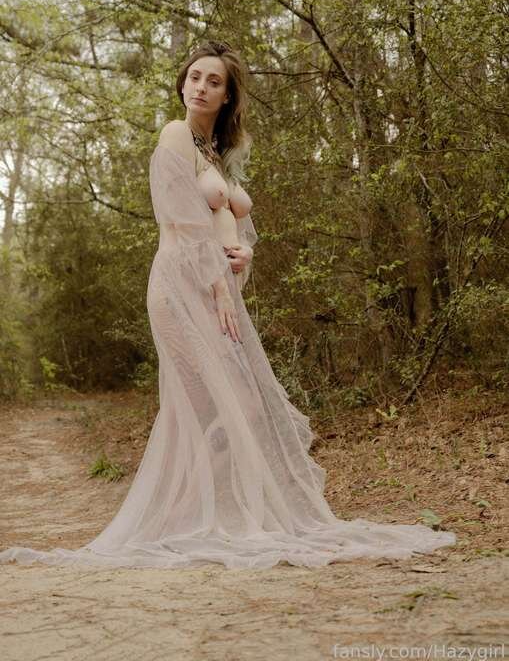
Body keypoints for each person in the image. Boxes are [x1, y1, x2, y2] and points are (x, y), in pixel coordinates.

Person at [0, 40, 456, 569]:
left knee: (234, 402)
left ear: (227, 97)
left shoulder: (215, 152)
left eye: (213, 81)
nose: (200, 87)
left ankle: (223, 515)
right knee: (217, 402)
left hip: (214, 285)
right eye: (194, 76)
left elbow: (233, 224)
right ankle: (207, 519)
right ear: (183, 83)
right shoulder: (175, 135)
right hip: (181, 286)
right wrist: (219, 285)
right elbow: (181, 218)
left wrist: (243, 255)